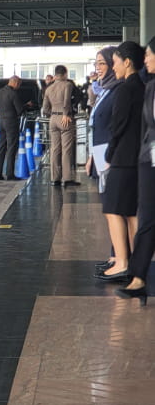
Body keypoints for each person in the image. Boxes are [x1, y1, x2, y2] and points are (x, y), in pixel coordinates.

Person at [95, 41, 145, 282]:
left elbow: (118, 126)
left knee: (113, 209)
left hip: (123, 158)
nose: (114, 68)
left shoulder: (125, 89)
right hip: (138, 157)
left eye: (114, 63)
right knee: (131, 212)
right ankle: (135, 260)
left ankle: (122, 262)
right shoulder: (144, 86)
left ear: (127, 62)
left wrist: (108, 154)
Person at [117, 36, 155, 304]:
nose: (147, 60)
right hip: (149, 162)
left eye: (150, 55)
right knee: (148, 219)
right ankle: (138, 278)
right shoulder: (150, 88)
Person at [85, 46, 121, 273]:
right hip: (100, 153)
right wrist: (91, 154)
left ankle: (119, 256)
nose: (97, 68)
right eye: (96, 63)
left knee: (116, 208)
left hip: (110, 155)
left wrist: (104, 155)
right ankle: (114, 254)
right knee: (109, 208)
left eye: (101, 64)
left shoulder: (118, 90)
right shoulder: (104, 90)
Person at [41, 65, 79, 186]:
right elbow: (67, 100)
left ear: (55, 74)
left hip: (53, 118)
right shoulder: (67, 85)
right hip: (64, 118)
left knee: (55, 149)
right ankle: (66, 178)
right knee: (66, 149)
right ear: (65, 74)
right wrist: (65, 113)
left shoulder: (48, 88)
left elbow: (45, 108)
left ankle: (55, 178)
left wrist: (53, 115)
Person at [0, 75, 24, 180]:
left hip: (1, 121)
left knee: (2, 147)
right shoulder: (13, 94)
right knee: (11, 147)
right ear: (15, 83)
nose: (19, 87)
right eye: (19, 84)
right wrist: (26, 106)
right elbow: (19, 110)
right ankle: (10, 174)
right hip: (11, 122)